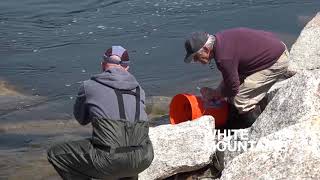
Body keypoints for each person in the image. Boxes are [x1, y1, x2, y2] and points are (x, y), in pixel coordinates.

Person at [47, 46, 154, 180]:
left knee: (56, 154)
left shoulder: (88, 86)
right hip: (144, 157)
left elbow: (82, 119)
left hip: (110, 159)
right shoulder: (139, 90)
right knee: (128, 150)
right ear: (127, 68)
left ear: (103, 64)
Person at [184, 28, 289, 128]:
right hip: (273, 48)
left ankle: (259, 131)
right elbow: (230, 79)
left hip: (276, 61)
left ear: (206, 49)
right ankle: (238, 118)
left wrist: (214, 93)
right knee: (230, 94)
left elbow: (233, 88)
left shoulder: (224, 58)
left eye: (196, 57)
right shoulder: (221, 40)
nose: (197, 61)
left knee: (240, 99)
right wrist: (218, 91)